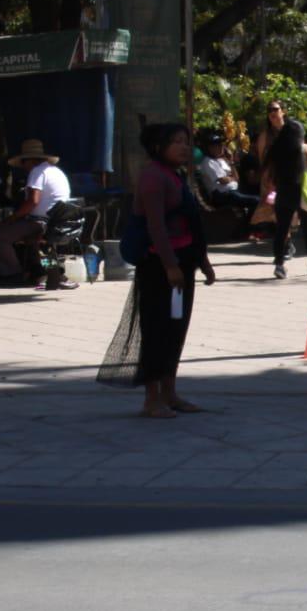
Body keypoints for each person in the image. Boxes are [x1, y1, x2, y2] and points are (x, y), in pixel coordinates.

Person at [100, 123, 216, 417]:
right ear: (157, 146)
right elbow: (156, 227)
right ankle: (152, 399)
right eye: (176, 141)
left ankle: (170, 393)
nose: (183, 147)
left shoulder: (175, 176)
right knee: (156, 331)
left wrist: (203, 263)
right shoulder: (152, 177)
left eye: (186, 141)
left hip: (183, 262)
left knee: (176, 328)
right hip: (159, 267)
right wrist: (170, 266)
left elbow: (190, 224)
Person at [0, 139, 73, 286]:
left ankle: (12, 274)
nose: (23, 167)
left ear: (29, 160)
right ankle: (40, 271)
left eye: (23, 163)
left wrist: (13, 218)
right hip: (57, 221)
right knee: (32, 240)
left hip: (43, 222)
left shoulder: (37, 171)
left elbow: (33, 202)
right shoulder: (56, 171)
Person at [263, 118, 307, 279]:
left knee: (281, 230)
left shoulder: (276, 149)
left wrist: (270, 189)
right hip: (301, 193)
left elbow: (268, 175)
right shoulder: (304, 148)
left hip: (283, 192)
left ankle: (279, 265)